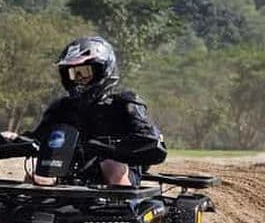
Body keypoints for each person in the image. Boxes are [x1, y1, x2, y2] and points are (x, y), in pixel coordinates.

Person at [18, 36, 167, 186]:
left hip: (122, 170)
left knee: (111, 166)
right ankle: (32, 208)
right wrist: (12, 140)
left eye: (84, 72)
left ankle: (121, 207)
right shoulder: (62, 108)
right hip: (69, 169)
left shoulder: (124, 104)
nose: (78, 79)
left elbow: (151, 140)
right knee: (35, 176)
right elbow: (38, 138)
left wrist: (112, 149)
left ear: (102, 70)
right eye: (73, 74)